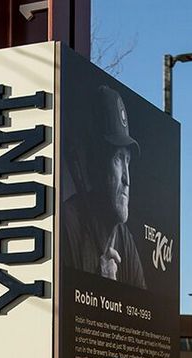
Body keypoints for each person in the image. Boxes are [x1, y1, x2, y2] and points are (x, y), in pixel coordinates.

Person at [62, 85, 146, 290]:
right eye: (118, 159)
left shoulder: (124, 238)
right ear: (95, 164)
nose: (127, 178)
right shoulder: (67, 223)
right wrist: (105, 286)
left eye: (128, 161)